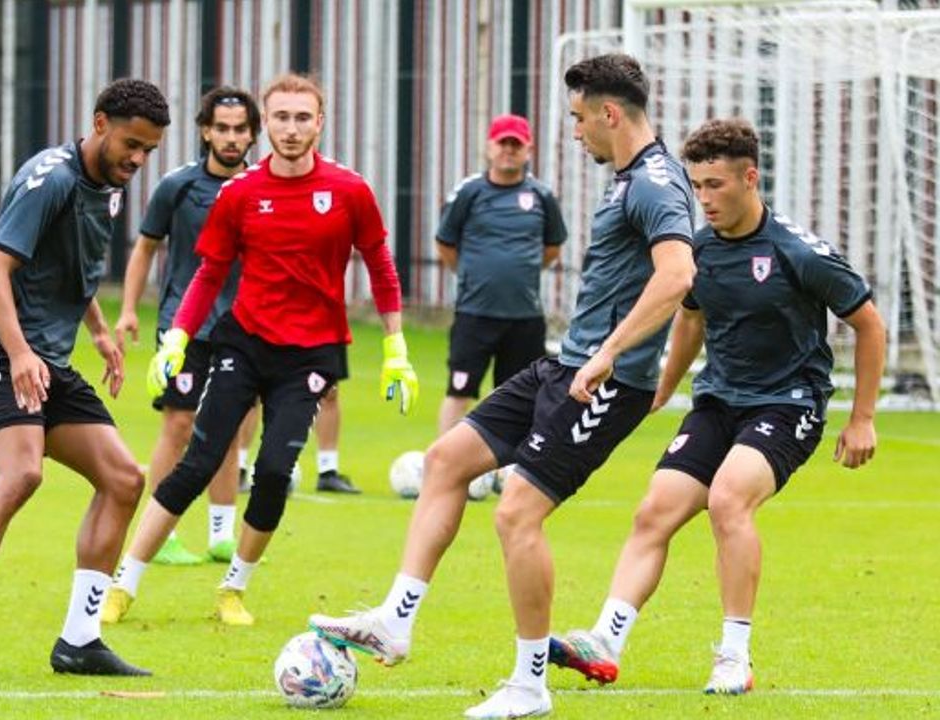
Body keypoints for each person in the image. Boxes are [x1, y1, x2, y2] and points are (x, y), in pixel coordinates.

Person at [309, 53, 697, 719]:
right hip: (564, 365)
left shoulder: (655, 185)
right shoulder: (630, 178)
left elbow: (678, 275)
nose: (574, 132)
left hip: (604, 382)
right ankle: (395, 620)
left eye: (578, 119)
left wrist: (608, 354)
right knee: (445, 460)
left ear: (609, 113)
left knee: (517, 512)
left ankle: (529, 685)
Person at [548, 118, 885, 695]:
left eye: (715, 185)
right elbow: (691, 322)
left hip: (788, 404)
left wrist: (862, 419)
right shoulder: (697, 252)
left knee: (728, 500)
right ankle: (605, 639)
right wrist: (662, 389)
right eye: (697, 185)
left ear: (749, 178)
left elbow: (870, 325)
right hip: (718, 402)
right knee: (655, 510)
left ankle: (734, 657)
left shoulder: (798, 252)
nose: (703, 199)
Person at [103, 73, 418, 628]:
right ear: (265, 124)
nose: (291, 129)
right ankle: (123, 584)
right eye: (282, 117)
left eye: (303, 118)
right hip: (244, 342)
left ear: (320, 123)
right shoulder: (241, 193)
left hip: (312, 354)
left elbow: (381, 267)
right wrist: (177, 336)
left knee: (273, 470)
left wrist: (396, 348)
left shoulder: (350, 191)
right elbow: (209, 273)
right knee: (198, 460)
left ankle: (233, 588)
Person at [0, 79, 168, 680]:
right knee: (22, 472)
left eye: (148, 150)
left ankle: (80, 640)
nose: (138, 159)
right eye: (131, 144)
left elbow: (70, 270)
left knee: (123, 479)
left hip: (44, 355)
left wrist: (98, 331)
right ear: (99, 124)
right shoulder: (49, 179)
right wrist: (20, 352)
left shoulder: (107, 188)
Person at [113, 87, 262, 566]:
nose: (231, 137)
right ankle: (165, 535)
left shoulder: (264, 189)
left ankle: (221, 535)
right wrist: (129, 309)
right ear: (205, 131)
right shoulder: (177, 186)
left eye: (240, 129)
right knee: (179, 424)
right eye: (222, 128)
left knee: (230, 428)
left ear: (253, 135)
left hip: (243, 327)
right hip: (185, 325)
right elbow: (145, 247)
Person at [436, 113, 566, 435]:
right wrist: (470, 274)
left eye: (515, 144)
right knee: (459, 390)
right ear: (489, 147)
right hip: (475, 313)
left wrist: (520, 272)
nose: (508, 150)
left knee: (519, 398)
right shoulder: (469, 192)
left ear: (528, 150)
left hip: (524, 317)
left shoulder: (541, 195)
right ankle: (443, 460)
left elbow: (553, 246)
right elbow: (445, 242)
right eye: (502, 143)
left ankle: (510, 463)